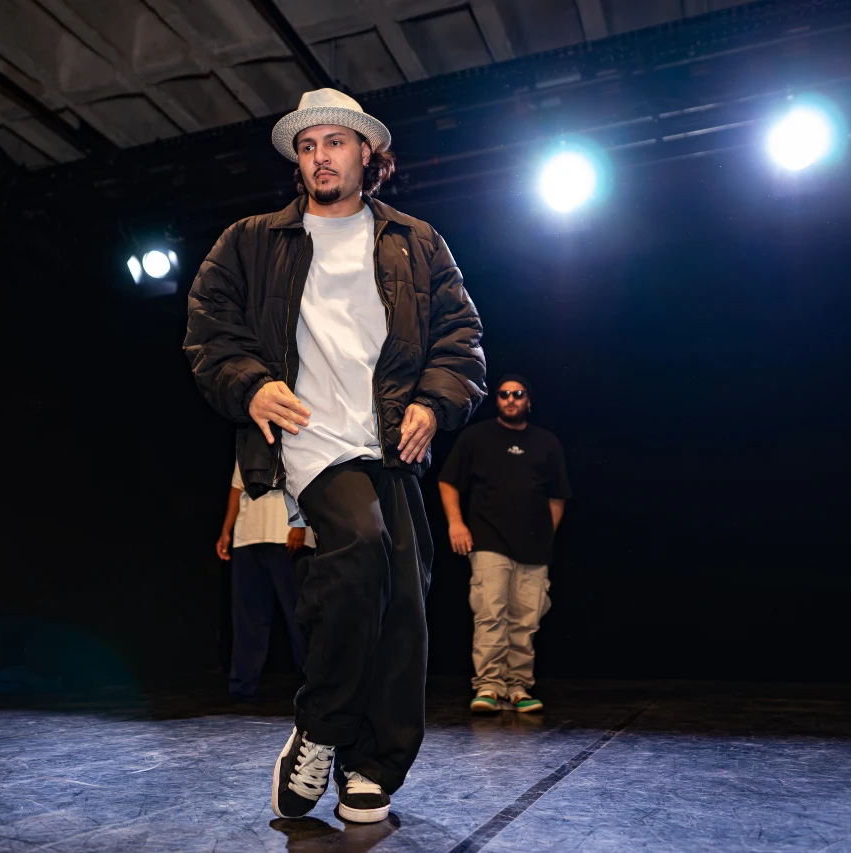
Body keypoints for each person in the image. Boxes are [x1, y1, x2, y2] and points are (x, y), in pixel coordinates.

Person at [184, 88, 485, 824]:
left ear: (367, 155)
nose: (320, 156)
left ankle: (369, 763)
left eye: (335, 142)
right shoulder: (252, 239)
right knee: (358, 544)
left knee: (404, 596)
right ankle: (321, 726)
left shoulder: (416, 240)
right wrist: (251, 384)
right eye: (307, 145)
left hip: (389, 440)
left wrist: (433, 402)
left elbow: (461, 338)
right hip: (310, 437)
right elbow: (208, 327)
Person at [437, 374, 570, 715]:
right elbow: (448, 480)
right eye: (504, 394)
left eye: (518, 394)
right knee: (491, 613)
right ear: (496, 399)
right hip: (489, 540)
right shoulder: (477, 437)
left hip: (534, 547)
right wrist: (456, 523)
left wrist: (547, 534)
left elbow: (558, 496)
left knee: (526, 620)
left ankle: (518, 687)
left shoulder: (546, 442)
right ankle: (489, 686)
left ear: (529, 401)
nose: (511, 399)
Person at [216, 459, 313, 703]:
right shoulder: (246, 444)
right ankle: (242, 687)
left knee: (300, 616)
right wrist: (226, 531)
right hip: (248, 537)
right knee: (248, 617)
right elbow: (237, 488)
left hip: (285, 535)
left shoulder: (293, 438)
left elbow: (306, 480)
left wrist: (300, 523)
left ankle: (314, 687)